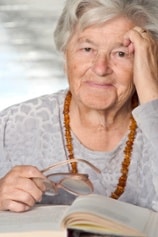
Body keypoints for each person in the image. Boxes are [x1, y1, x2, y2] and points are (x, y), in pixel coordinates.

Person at [0, 0, 158, 213]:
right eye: (87, 49)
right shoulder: (12, 127)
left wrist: (151, 90)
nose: (101, 68)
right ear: (65, 52)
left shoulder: (152, 120)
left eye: (121, 53)